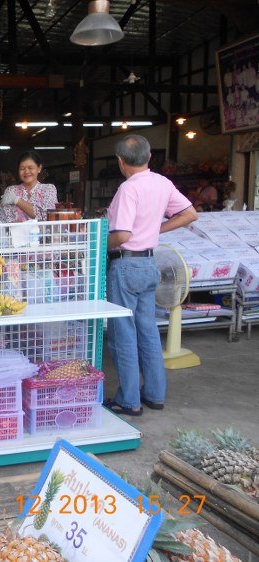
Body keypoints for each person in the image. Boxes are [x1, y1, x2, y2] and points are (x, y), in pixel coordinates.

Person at [104, 134, 197, 416]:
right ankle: (155, 394)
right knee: (148, 331)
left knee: (123, 334)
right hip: (148, 264)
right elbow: (190, 214)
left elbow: (122, 235)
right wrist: (157, 230)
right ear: (149, 157)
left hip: (126, 265)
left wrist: (100, 244)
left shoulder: (128, 188)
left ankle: (129, 400)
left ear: (121, 161)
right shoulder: (162, 183)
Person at [0, 150, 58, 222]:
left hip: (42, 230)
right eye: (22, 168)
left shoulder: (48, 189)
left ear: (39, 168)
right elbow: (5, 219)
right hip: (16, 230)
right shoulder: (11, 190)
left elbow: (48, 216)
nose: (26, 171)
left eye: (30, 168)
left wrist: (17, 200)